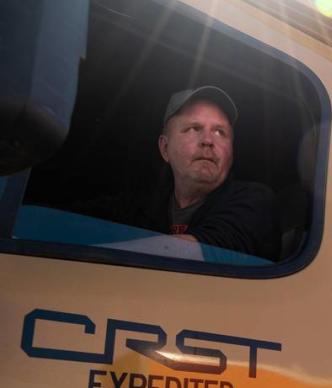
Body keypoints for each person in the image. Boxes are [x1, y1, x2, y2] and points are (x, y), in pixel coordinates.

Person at [72, 86, 280, 261]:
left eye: (220, 132)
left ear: (231, 152)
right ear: (165, 148)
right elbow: (72, 224)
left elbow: (214, 250)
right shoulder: (141, 205)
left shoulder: (254, 201)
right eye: (193, 128)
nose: (208, 140)